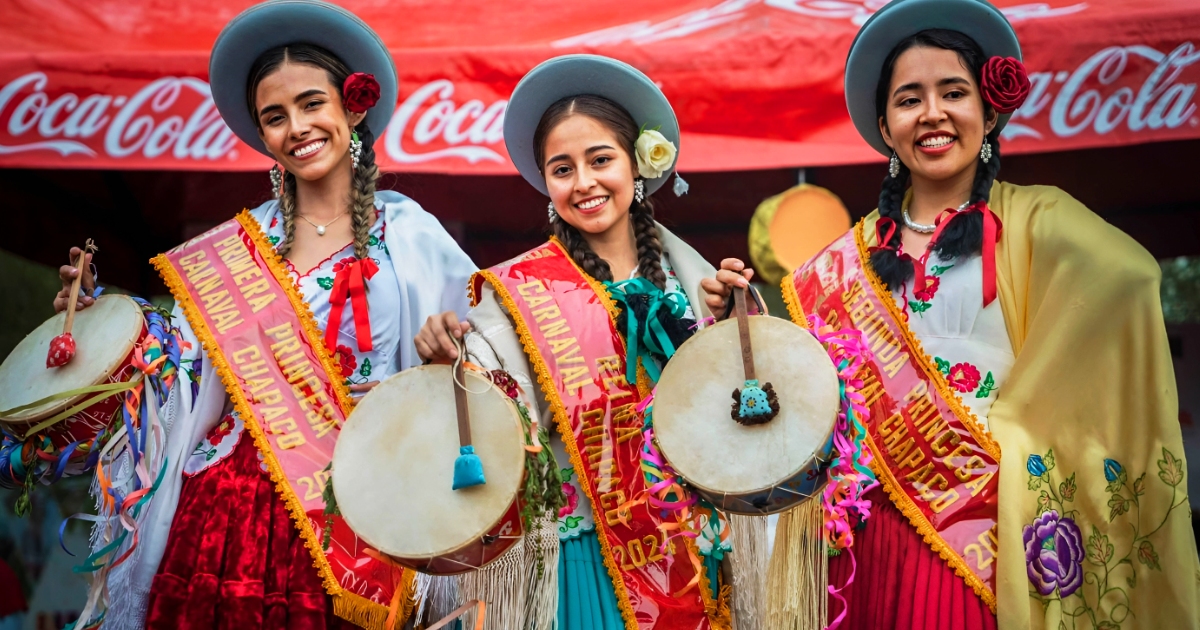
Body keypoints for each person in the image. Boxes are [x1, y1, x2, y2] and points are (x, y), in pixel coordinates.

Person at [704, 0, 1200, 627]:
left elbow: (1131, 280)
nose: (932, 113)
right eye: (909, 98)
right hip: (867, 542)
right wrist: (740, 329)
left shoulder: (1039, 221)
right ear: (885, 126)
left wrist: (1022, 428)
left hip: (985, 535)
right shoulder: (842, 260)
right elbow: (804, 406)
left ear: (990, 111)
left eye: (954, 92)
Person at [51, 2, 476, 628]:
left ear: (352, 108)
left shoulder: (410, 233)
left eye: (312, 104)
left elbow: (488, 352)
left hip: (365, 504)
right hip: (228, 508)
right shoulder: (237, 245)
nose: (296, 127)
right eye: (274, 117)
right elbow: (185, 378)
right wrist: (98, 329)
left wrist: (450, 351)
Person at [415, 54, 766, 630]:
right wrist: (452, 365)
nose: (584, 183)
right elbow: (495, 424)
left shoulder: (694, 278)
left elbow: (749, 413)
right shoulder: (515, 295)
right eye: (562, 168)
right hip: (587, 551)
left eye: (600, 159)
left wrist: (737, 323)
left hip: (696, 544)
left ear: (637, 164)